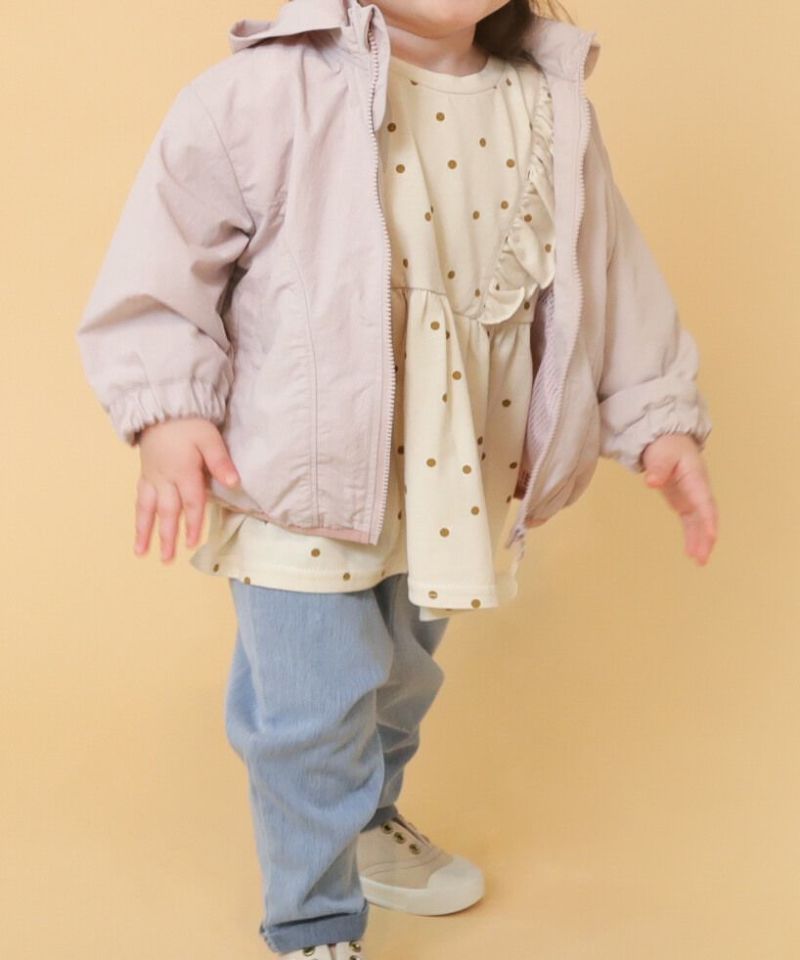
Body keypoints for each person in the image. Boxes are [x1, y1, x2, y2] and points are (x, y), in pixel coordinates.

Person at [75, 1, 719, 956]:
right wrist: (169, 409)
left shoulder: (550, 105)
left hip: (453, 477)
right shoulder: (267, 92)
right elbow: (162, 264)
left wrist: (657, 419)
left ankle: (367, 819)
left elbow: (609, 273)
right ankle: (314, 918)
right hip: (298, 476)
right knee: (313, 708)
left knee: (399, 682)